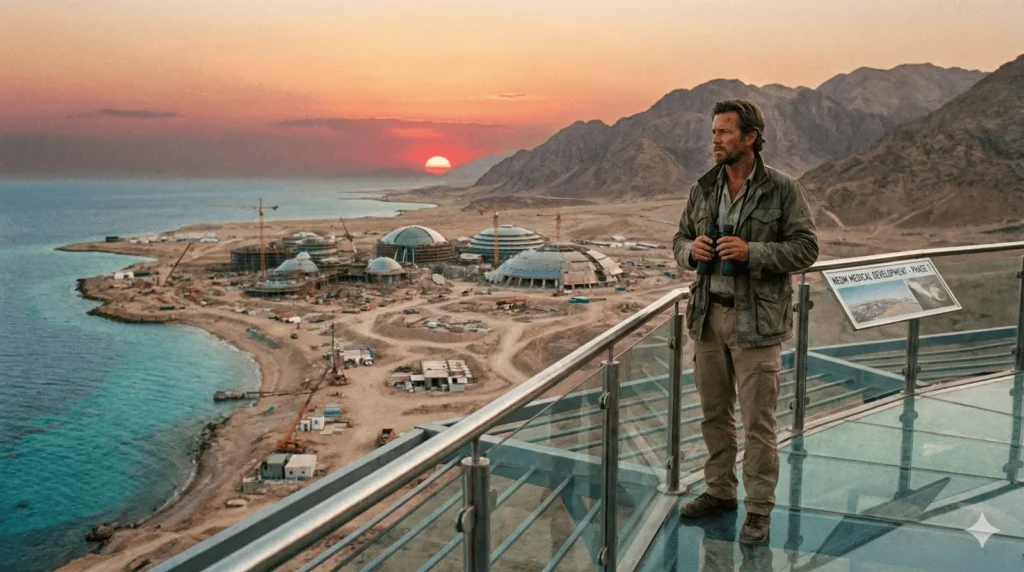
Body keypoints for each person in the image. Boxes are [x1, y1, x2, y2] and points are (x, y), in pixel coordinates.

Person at [672, 99, 819, 545]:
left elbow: (806, 248)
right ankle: (720, 491)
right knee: (714, 415)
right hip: (708, 318)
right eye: (713, 132)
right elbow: (678, 238)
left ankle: (758, 510)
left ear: (750, 138)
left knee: (758, 422)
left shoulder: (783, 189)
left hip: (757, 324)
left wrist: (752, 252)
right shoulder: (703, 188)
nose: (714, 140)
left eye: (724, 132)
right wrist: (689, 251)